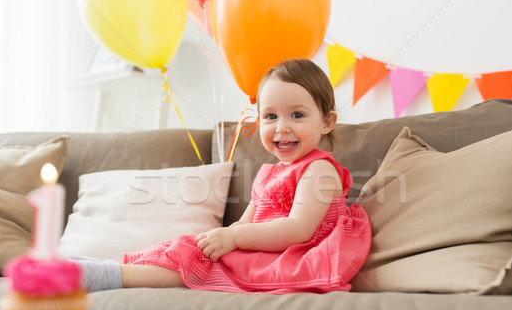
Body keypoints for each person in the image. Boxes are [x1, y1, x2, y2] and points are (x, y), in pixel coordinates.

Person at [77, 58, 371, 293]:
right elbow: (246, 223)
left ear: (327, 122)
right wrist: (224, 237)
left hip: (289, 257)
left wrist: (233, 237)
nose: (281, 127)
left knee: (198, 263)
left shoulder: (320, 170)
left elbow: (297, 229)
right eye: (270, 116)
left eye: (297, 115)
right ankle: (106, 269)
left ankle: (106, 276)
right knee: (189, 246)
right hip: (260, 249)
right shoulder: (269, 173)